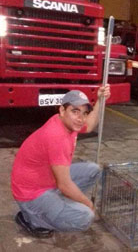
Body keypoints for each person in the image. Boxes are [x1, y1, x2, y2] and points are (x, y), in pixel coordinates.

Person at [11, 86, 110, 238]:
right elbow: (64, 185)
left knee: (93, 170)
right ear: (62, 111)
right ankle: (32, 219)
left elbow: (89, 125)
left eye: (84, 113)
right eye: (75, 111)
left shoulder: (67, 123)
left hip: (46, 181)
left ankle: (56, 204)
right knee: (85, 217)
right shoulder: (57, 136)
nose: (80, 118)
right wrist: (88, 204)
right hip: (31, 194)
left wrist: (100, 99)